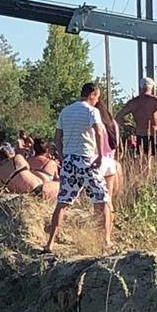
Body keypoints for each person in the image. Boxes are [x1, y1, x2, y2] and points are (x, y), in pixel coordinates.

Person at [44, 83, 112, 252]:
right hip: (87, 160)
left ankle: (49, 243)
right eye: (97, 96)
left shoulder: (65, 111)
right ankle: (106, 242)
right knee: (103, 199)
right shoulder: (92, 111)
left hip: (69, 161)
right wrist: (100, 156)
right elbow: (98, 132)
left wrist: (63, 155)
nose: (97, 100)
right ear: (92, 94)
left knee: (63, 202)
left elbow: (57, 138)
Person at [115, 77, 157, 171]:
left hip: (140, 134)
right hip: (155, 134)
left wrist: (130, 127)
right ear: (152, 87)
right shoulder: (154, 100)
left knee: (145, 165)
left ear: (140, 87)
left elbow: (118, 117)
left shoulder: (133, 102)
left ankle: (145, 183)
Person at [94, 101, 123, 207]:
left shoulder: (94, 125)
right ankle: (110, 223)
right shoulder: (113, 123)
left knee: (98, 203)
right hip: (113, 165)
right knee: (109, 201)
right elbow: (117, 144)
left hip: (97, 163)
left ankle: (99, 224)